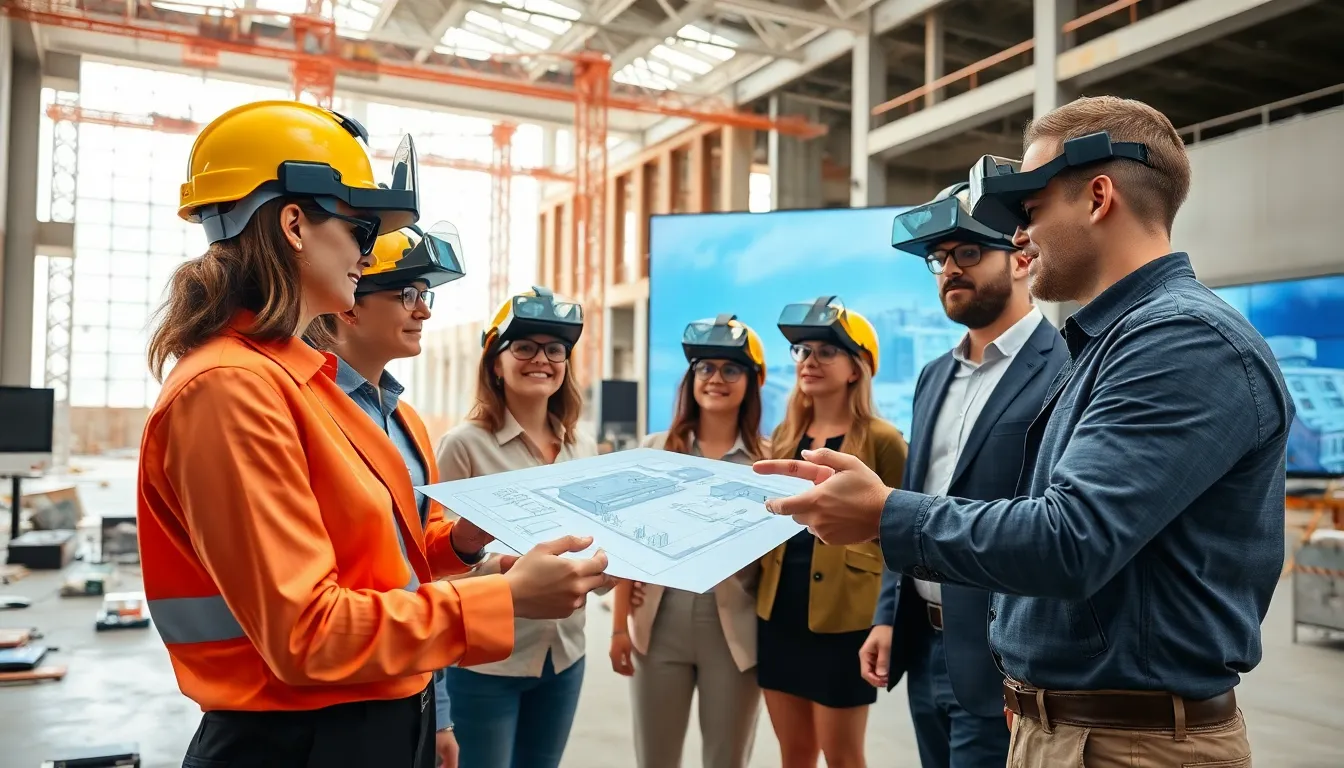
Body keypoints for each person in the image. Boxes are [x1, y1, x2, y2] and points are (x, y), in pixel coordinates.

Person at [755, 96, 1293, 766]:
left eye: (1029, 211)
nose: (1018, 237)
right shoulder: (1112, 342)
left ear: (1098, 196)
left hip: (1130, 742)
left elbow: (1071, 539)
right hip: (1072, 723)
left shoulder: (1180, 341)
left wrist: (885, 514)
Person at [137, 100, 610, 767]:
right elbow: (308, 634)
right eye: (361, 227)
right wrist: (500, 597)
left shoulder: (298, 382)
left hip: (373, 717)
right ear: (295, 224)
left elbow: (374, 562)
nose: (368, 251)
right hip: (298, 739)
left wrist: (466, 549)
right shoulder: (229, 390)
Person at [862, 183, 1068, 768]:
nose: (950, 268)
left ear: (1023, 258)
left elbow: (1053, 525)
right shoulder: (933, 377)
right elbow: (907, 501)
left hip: (1004, 657)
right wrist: (886, 618)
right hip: (923, 644)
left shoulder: (1065, 370)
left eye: (969, 252)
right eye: (940, 259)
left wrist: (1028, 667)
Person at [312, 222, 470, 768]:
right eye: (408, 294)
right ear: (349, 305)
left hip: (409, 684)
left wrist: (466, 543)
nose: (423, 310)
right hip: (331, 701)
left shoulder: (406, 423)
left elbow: (414, 566)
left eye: (425, 296)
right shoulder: (307, 411)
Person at [434, 286, 600, 768]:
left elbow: (598, 538)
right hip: (488, 662)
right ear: (495, 362)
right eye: (524, 347)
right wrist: (509, 573)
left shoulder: (582, 444)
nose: (541, 359)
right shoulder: (462, 446)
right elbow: (440, 564)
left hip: (565, 654)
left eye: (555, 349)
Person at [610, 314, 768, 768]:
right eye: (705, 368)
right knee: (655, 758)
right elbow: (626, 544)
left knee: (727, 759)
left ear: (751, 382)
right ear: (691, 379)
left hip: (735, 632)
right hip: (657, 627)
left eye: (730, 369)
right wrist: (620, 626)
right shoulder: (655, 450)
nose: (715, 379)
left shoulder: (769, 461)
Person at [755, 296, 907, 768]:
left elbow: (904, 534)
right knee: (794, 755)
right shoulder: (784, 437)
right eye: (801, 352)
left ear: (856, 368)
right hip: (778, 614)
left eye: (824, 351)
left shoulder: (883, 440)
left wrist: (889, 618)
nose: (809, 361)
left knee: (843, 758)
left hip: (845, 621)